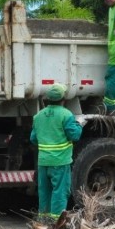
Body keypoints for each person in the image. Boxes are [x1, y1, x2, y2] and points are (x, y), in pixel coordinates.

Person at [30, 83, 84, 220]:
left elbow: (33, 138)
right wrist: (79, 125)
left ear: (47, 99)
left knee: (44, 192)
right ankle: (56, 223)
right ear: (63, 99)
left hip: (43, 162)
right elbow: (74, 135)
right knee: (60, 192)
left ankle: (43, 222)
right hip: (60, 162)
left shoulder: (38, 116)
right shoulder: (66, 115)